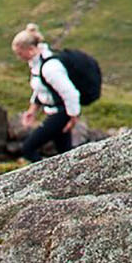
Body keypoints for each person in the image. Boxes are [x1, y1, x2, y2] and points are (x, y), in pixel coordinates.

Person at [11, 22, 80, 161]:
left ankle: (46, 179)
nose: (19, 57)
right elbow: (41, 89)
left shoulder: (50, 67)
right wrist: (32, 110)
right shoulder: (36, 64)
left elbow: (70, 93)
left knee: (28, 148)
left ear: (30, 49)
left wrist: (73, 118)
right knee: (65, 153)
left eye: (20, 53)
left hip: (61, 113)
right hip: (55, 112)